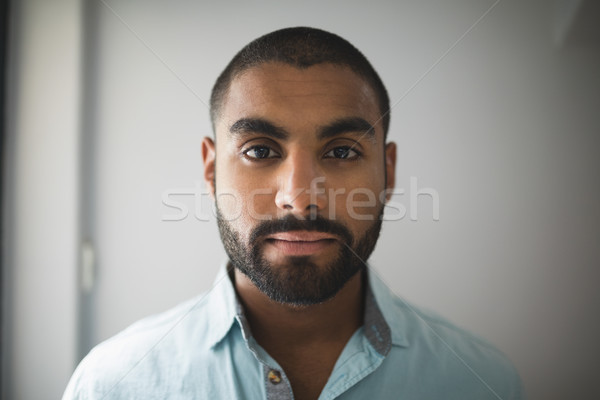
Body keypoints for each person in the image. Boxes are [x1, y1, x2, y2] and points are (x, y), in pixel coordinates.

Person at [63, 27, 523, 400]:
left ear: (388, 170)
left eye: (342, 151)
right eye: (260, 150)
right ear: (210, 170)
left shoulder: (484, 383)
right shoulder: (112, 385)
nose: (300, 198)